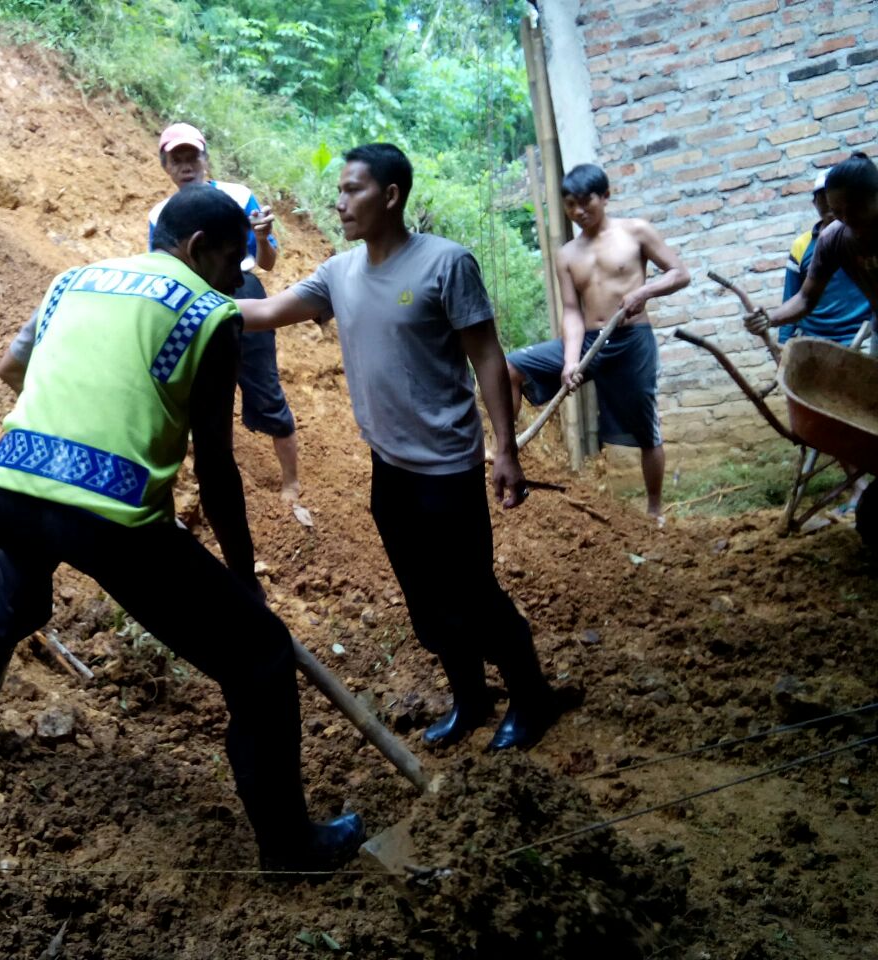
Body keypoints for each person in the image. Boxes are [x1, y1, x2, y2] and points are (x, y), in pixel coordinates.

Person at [0, 186, 364, 873]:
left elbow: (12, 367)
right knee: (260, 657)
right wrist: (242, 579)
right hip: (107, 521)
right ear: (199, 248)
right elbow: (218, 467)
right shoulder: (210, 313)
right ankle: (290, 847)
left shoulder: (74, 280)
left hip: (7, 489)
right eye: (234, 262)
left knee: (20, 566)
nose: (238, 279)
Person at [238, 143, 557, 752]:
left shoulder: (446, 264)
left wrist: (505, 449)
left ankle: (531, 695)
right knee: (426, 602)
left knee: (475, 595)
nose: (340, 202)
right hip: (390, 470)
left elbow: (487, 356)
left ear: (390, 196)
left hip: (448, 470)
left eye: (353, 189)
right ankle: (470, 698)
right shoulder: (339, 274)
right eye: (339, 190)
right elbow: (266, 309)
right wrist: (182, 302)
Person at [505, 163, 690, 520]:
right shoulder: (568, 255)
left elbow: (680, 273)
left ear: (605, 196)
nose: (578, 212)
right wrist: (571, 360)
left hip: (631, 340)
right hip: (589, 340)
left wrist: (644, 292)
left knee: (646, 428)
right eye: (570, 204)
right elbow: (572, 311)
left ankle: (655, 510)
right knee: (509, 366)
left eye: (585, 202)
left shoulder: (636, 232)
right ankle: (509, 453)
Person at [149, 122, 302, 504]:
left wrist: (263, 238)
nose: (186, 165)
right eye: (176, 159)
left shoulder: (237, 196)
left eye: (192, 156)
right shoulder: (160, 214)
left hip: (241, 289)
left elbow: (266, 263)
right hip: (188, 300)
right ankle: (206, 473)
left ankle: (291, 483)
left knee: (263, 382)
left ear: (206, 158)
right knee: (195, 389)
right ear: (166, 166)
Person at [749, 152, 878, 356]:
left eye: (854, 209)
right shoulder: (833, 239)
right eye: (837, 212)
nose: (846, 219)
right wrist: (769, 319)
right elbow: (805, 298)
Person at [777, 169, 873, 346]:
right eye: (822, 196)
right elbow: (800, 297)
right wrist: (781, 340)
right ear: (815, 202)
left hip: (860, 336)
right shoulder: (811, 243)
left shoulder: (860, 236)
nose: (828, 204)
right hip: (816, 342)